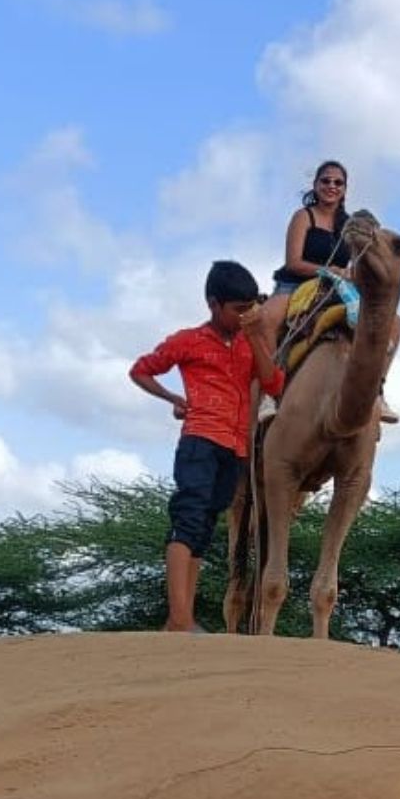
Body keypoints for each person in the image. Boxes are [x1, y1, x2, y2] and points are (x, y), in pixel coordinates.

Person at [129, 259, 284, 632]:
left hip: (235, 448)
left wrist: (257, 337)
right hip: (199, 440)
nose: (245, 315)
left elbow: (273, 383)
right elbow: (141, 369)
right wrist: (173, 399)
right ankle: (180, 618)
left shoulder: (249, 342)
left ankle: (180, 619)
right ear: (214, 304)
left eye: (250, 308)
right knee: (188, 520)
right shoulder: (189, 341)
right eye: (238, 309)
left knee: (205, 526)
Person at [256, 159, 398, 423]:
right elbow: (294, 262)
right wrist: (329, 268)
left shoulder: (351, 225)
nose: (331, 186)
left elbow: (360, 264)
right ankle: (268, 393)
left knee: (393, 324)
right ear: (315, 185)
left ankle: (376, 390)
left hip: (338, 288)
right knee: (267, 318)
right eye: (326, 181)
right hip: (297, 283)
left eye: (338, 182)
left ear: (345, 189)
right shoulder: (303, 217)